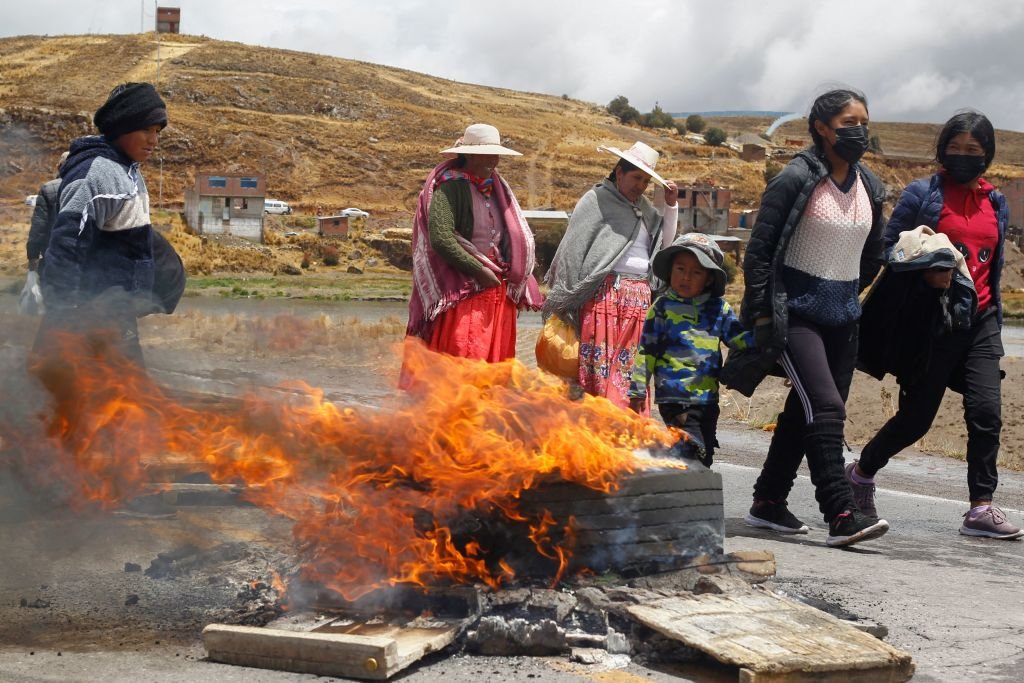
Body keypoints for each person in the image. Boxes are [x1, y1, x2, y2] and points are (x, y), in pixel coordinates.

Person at [720, 88, 889, 548]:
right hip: (794, 312)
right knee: (827, 406)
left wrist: (850, 292)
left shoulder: (870, 186)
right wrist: (760, 315)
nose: (859, 132)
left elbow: (873, 252)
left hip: (844, 317)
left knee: (804, 409)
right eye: (848, 123)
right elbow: (758, 253)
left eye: (864, 123)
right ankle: (840, 511)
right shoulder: (795, 178)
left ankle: (768, 501)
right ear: (821, 127)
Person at [849, 110, 1022, 540]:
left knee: (986, 413)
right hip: (932, 322)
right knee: (917, 420)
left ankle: (981, 506)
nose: (963, 157)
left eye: (974, 150)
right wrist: (926, 270)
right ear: (942, 150)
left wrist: (993, 311)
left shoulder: (995, 203)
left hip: (981, 320)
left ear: (987, 156)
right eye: (955, 148)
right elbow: (891, 250)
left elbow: (993, 265)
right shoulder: (922, 195)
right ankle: (862, 471)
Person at [34, 82, 185, 370]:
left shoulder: (126, 169)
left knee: (125, 396)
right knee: (92, 394)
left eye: (158, 131)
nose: (154, 140)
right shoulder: (97, 174)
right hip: (92, 314)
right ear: (121, 127)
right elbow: (67, 246)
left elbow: (127, 234)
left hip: (117, 308)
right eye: (146, 130)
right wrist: (62, 317)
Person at [543, 142, 678, 412]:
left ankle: (628, 430)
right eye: (635, 177)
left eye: (645, 180)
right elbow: (574, 250)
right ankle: (599, 428)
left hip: (638, 301)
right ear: (619, 172)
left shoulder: (646, 210)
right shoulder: (595, 201)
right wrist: (568, 298)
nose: (640, 185)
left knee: (631, 371)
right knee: (600, 368)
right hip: (604, 296)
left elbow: (665, 248)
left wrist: (671, 207)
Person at [404, 123, 542, 368]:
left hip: (498, 292)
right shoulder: (449, 187)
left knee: (495, 367)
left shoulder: (497, 189)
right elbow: (442, 238)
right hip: (466, 291)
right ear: (468, 154)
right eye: (486, 154)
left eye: (496, 154)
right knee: (464, 360)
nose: (493, 160)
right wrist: (478, 270)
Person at [627, 233, 753, 466]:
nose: (686, 277)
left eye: (696, 272)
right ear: (670, 271)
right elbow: (647, 350)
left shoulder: (719, 309)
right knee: (690, 444)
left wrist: (765, 338)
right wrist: (637, 390)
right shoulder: (663, 307)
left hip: (707, 398)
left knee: (704, 456)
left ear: (708, 279)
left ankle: (678, 482)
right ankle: (669, 472)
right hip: (674, 396)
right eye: (680, 269)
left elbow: (738, 339)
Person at [19, 151, 69, 315]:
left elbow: (39, 228)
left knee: (53, 306)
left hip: (53, 256)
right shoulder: (92, 186)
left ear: (59, 166)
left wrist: (32, 258)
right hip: (87, 257)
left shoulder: (49, 189)